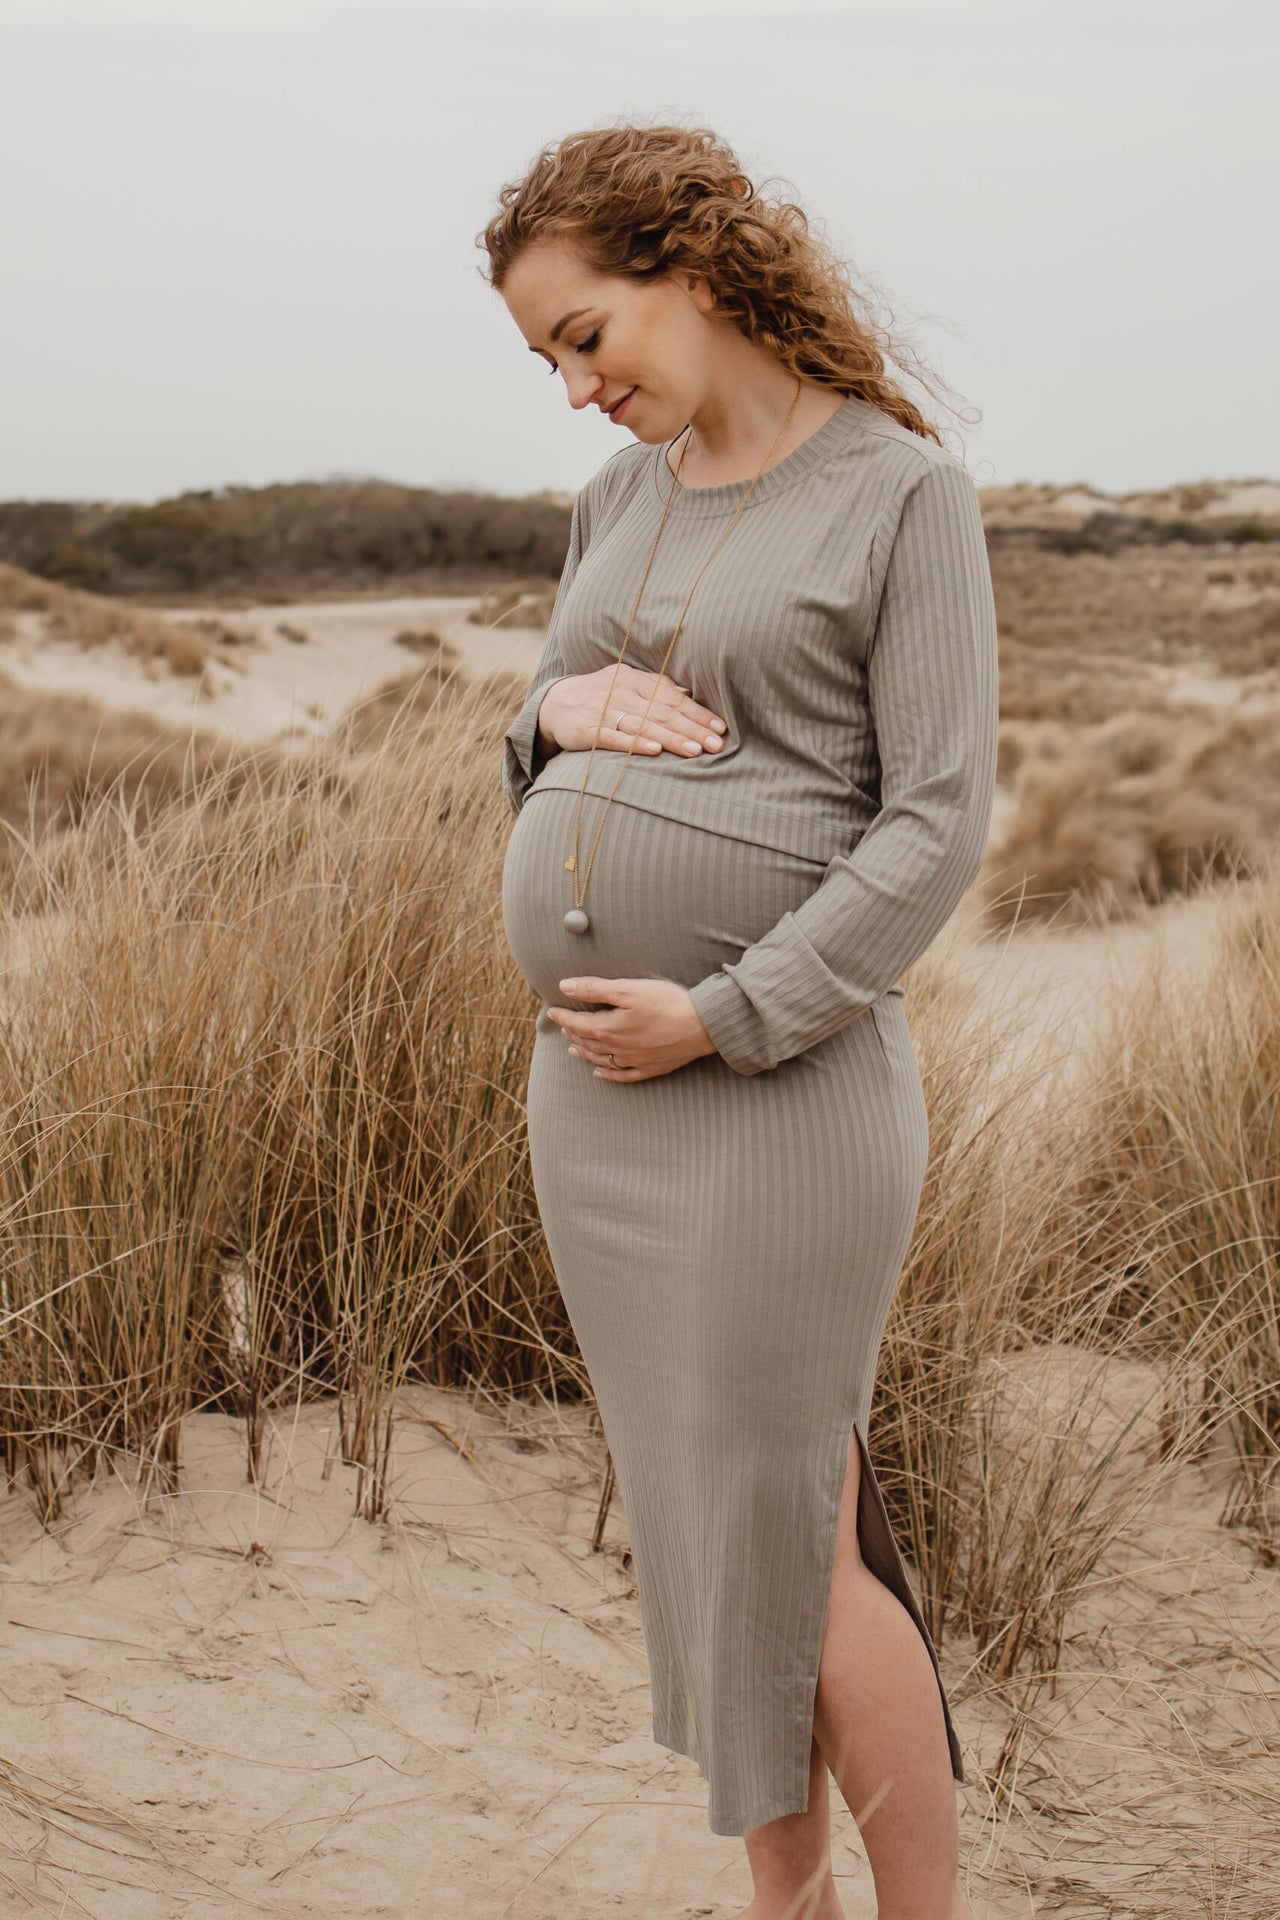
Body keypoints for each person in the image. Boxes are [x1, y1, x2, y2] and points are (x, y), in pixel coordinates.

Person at [479, 121, 997, 1920]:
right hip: (596, 1111)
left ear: (692, 272)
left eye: (587, 334)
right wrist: (554, 726)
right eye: (548, 355)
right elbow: (539, 723)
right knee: (704, 1523)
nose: (572, 385)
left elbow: (936, 823)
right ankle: (786, 1892)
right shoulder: (614, 503)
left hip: (785, 1099)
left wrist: (728, 1012)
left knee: (799, 1523)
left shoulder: (899, 495)